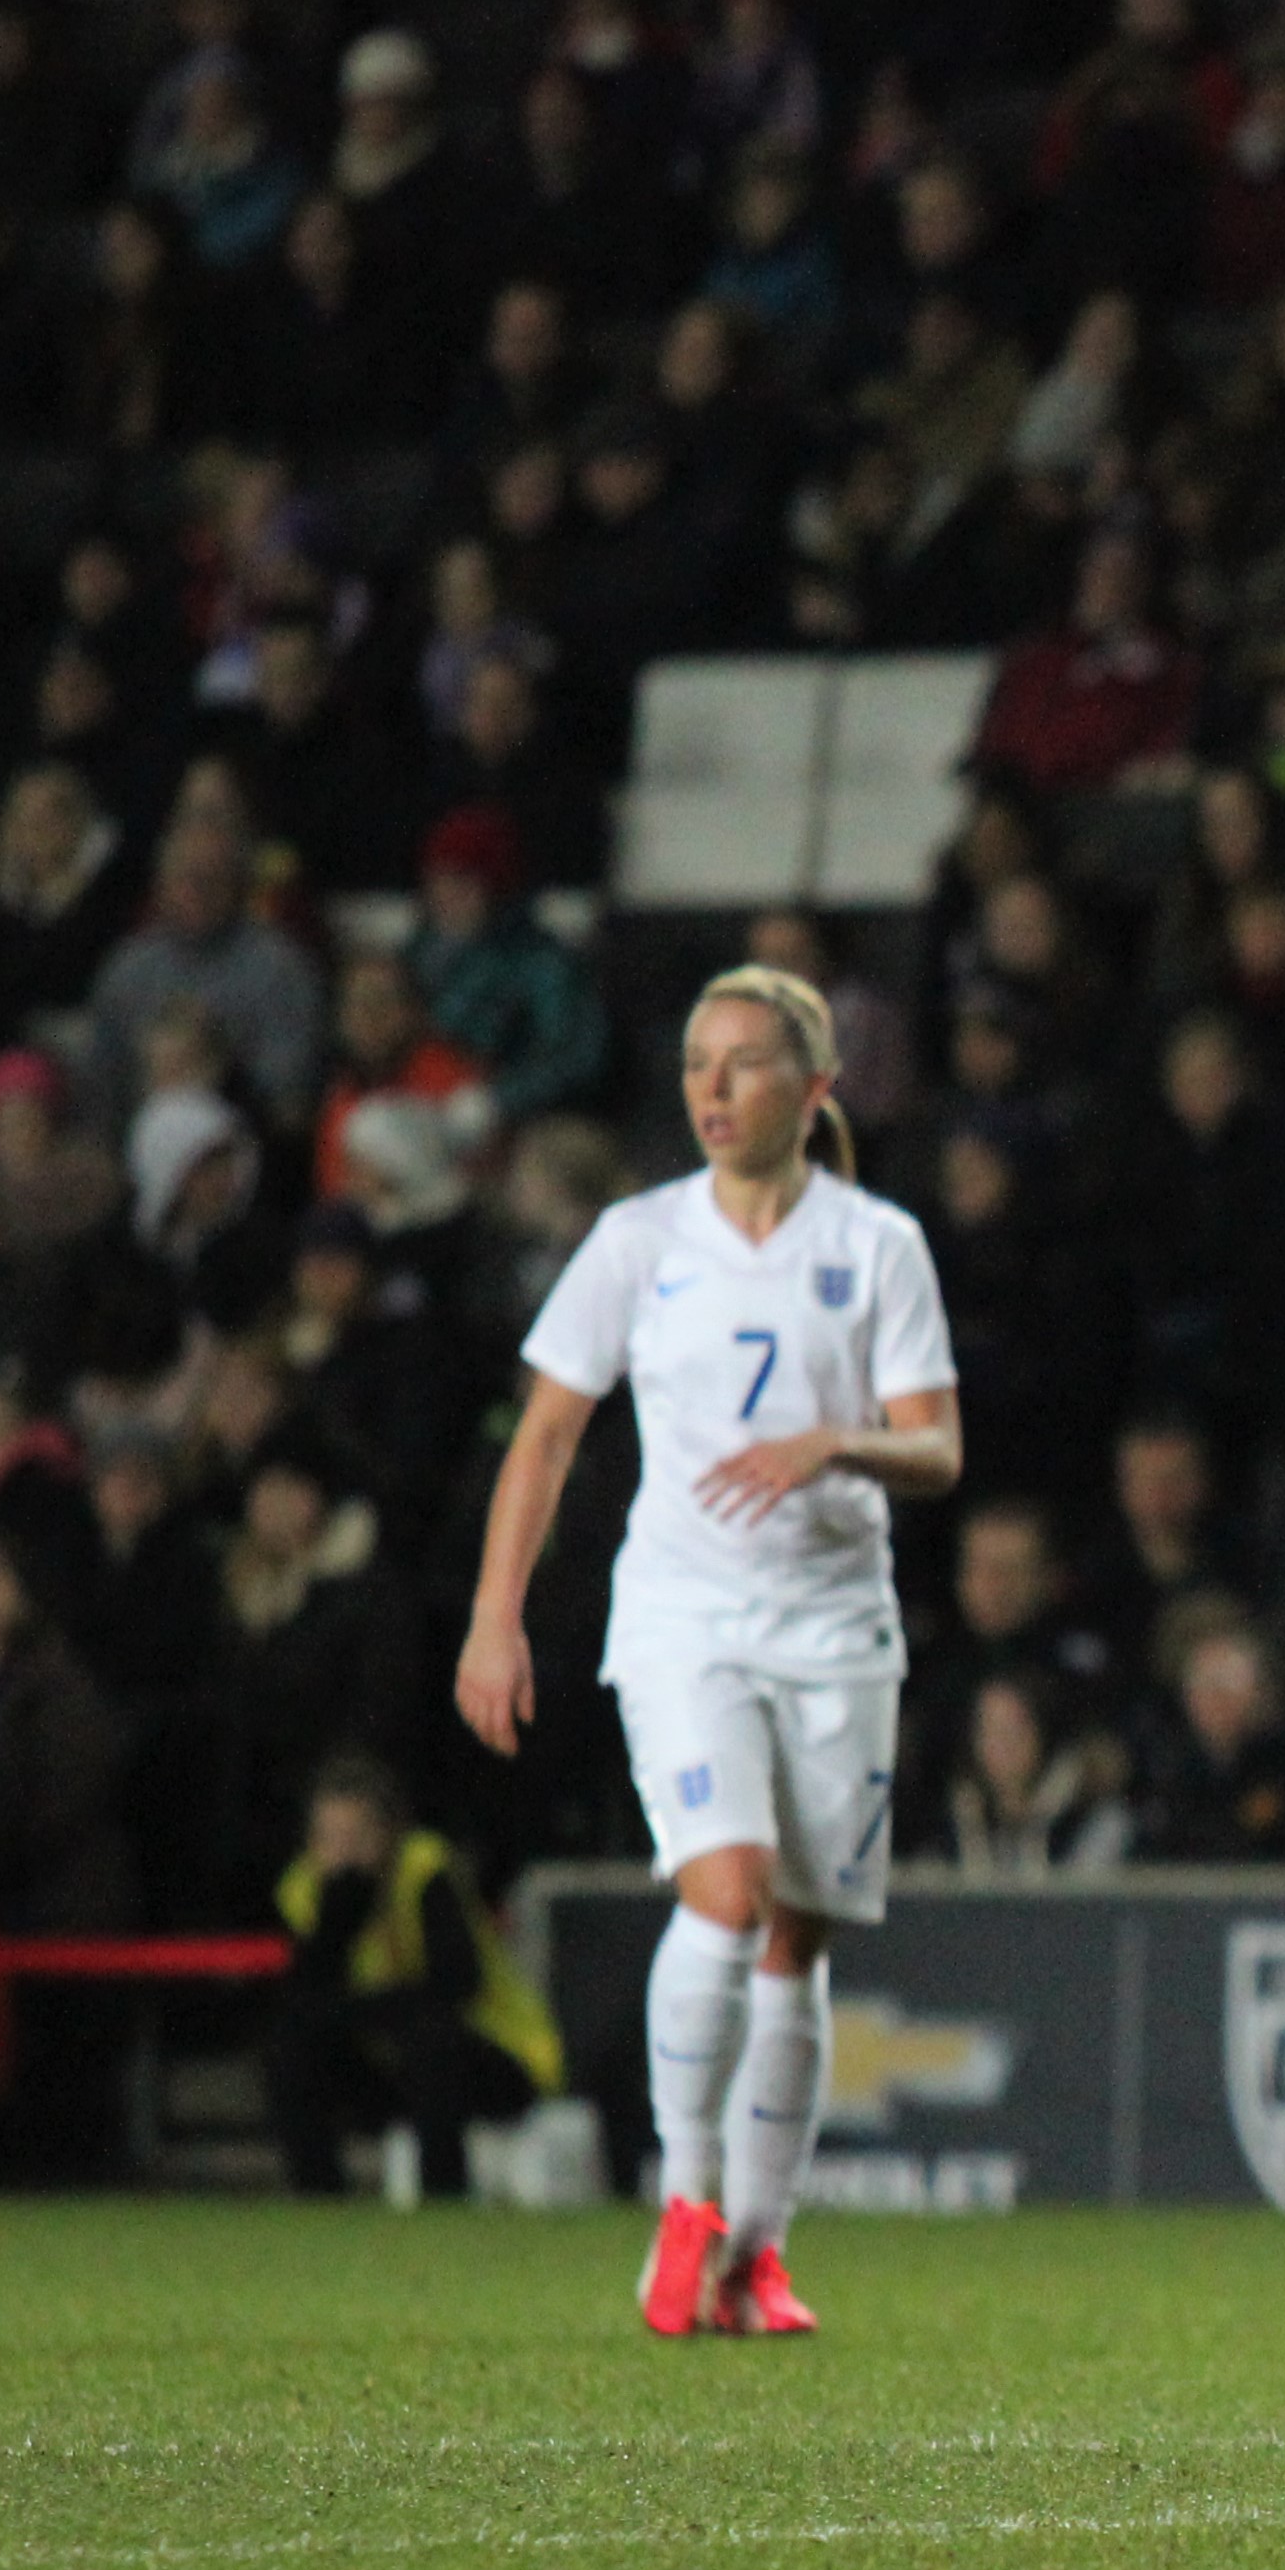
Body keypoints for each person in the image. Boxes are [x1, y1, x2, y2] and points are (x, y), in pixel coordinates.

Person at [454, 968, 961, 2340]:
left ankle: (762, 2253)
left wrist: (834, 1439)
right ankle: (689, 2201)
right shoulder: (637, 1239)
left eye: (744, 1063)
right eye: (695, 1064)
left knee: (797, 1940)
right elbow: (547, 1432)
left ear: (815, 1086)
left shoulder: (880, 1245)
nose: (713, 1089)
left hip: (836, 1629)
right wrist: (497, 1613)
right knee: (724, 1895)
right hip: (683, 1618)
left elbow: (939, 1444)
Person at [267, 1752, 564, 2199]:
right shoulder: (305, 1888)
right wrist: (338, 1917)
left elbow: (455, 1983)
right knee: (294, 2043)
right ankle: (317, 2199)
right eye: (329, 1838)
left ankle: (444, 2200)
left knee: (430, 2040)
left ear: (388, 1833)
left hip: (494, 2053)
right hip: (391, 2058)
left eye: (357, 1836)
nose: (343, 1853)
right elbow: (307, 1997)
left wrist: (360, 2011)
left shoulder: (424, 1869)